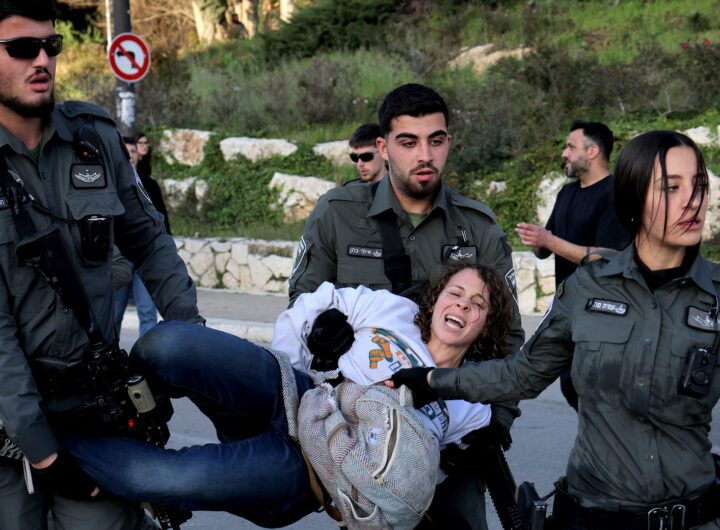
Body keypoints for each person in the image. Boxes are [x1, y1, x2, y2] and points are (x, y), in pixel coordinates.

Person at [392, 130, 720, 530]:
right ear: (633, 198)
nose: (693, 200)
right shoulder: (588, 287)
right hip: (592, 517)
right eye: (671, 187)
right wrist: (432, 380)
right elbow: (523, 374)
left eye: (699, 185)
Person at [62, 262, 512, 528]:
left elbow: (414, 484)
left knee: (166, 479)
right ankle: (108, 407)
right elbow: (316, 302)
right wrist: (298, 359)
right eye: (456, 292)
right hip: (292, 392)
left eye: (478, 304)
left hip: (311, 473)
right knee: (169, 343)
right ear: (437, 298)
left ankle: (51, 447)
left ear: (487, 324)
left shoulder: (471, 404)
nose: (463, 305)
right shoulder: (394, 311)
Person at [0, 1, 202, 529]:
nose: (41, 60)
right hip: (9, 426)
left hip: (94, 409)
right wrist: (43, 454)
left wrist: (191, 341)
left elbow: (150, 242)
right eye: (22, 48)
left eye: (51, 46)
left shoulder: (94, 137)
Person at [289, 82, 524, 529]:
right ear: (383, 147)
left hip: (452, 428)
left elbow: (509, 339)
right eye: (408, 142)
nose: (425, 155)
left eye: (436, 141)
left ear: (449, 142)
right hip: (362, 427)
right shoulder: (338, 213)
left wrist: (496, 425)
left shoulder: (479, 229)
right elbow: (301, 302)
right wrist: (322, 329)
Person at [515, 120, 630, 410]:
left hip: (603, 311)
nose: (564, 153)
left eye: (570, 147)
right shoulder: (567, 193)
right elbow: (547, 248)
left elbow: (608, 256)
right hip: (568, 309)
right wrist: (537, 240)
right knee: (570, 385)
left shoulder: (615, 193)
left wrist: (549, 240)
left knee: (590, 388)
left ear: (592, 151)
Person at [114, 137, 163, 337]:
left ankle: (146, 355)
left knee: (148, 313)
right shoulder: (109, 185)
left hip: (146, 257)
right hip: (119, 258)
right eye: (125, 152)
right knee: (113, 315)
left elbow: (162, 220)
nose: (130, 156)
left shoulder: (149, 184)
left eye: (133, 152)